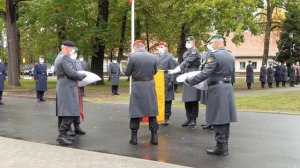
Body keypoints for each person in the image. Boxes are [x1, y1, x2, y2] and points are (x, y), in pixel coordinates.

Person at [185, 34, 237, 156]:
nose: (211, 45)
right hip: (227, 88)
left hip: (217, 89)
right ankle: (224, 145)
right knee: (225, 118)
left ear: (215, 43)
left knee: (218, 117)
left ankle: (221, 147)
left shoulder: (214, 55)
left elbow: (205, 73)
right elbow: (233, 75)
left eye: (211, 43)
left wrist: (190, 81)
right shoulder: (230, 55)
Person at [125, 40, 159, 145]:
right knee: (152, 112)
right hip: (149, 85)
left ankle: (134, 138)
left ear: (135, 47)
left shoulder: (133, 57)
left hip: (138, 86)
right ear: (143, 46)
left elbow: (127, 73)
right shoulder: (153, 57)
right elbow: (155, 71)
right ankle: (154, 138)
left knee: (135, 112)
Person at [54, 40, 86, 145]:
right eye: (72, 49)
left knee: (63, 111)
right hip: (67, 86)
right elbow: (71, 73)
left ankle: (63, 134)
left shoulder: (59, 56)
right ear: (67, 48)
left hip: (63, 85)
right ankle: (62, 135)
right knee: (70, 111)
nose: (72, 51)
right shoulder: (65, 57)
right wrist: (82, 76)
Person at [168, 35, 201, 127]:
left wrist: (177, 69)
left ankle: (193, 119)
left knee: (193, 99)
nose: (187, 43)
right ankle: (188, 117)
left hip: (193, 76)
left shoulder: (194, 51)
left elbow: (187, 62)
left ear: (193, 43)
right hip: (186, 76)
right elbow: (184, 63)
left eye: (189, 42)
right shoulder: (187, 52)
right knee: (187, 99)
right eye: (187, 42)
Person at [156, 41, 176, 125]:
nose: (160, 48)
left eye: (162, 47)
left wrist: (172, 81)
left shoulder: (170, 57)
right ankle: (159, 116)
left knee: (167, 99)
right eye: (159, 47)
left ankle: (166, 117)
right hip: (158, 80)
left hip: (166, 79)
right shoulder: (156, 57)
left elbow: (173, 70)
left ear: (166, 48)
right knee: (158, 99)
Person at [69, 47, 86, 135]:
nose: (74, 54)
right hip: (71, 88)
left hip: (79, 88)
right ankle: (69, 127)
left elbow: (81, 73)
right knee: (71, 108)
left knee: (78, 107)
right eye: (73, 52)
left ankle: (77, 126)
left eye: (76, 53)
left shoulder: (78, 62)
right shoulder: (67, 61)